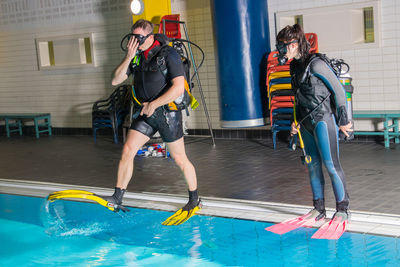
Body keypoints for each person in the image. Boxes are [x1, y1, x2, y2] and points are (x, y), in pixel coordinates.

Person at [106, 19, 201, 225]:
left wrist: (154, 104)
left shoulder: (168, 54)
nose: (134, 42)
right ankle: (118, 196)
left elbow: (178, 88)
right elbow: (115, 80)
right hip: (146, 114)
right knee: (128, 150)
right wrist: (128, 57)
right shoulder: (137, 57)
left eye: (138, 38)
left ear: (150, 37)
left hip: (167, 113)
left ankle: (194, 199)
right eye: (133, 37)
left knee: (179, 159)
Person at [266, 24, 352, 239]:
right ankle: (319, 209)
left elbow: (339, 91)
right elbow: (298, 97)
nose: (280, 51)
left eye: (282, 47)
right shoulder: (294, 66)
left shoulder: (316, 64)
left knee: (331, 165)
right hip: (305, 123)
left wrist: (344, 122)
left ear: (294, 45)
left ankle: (342, 210)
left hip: (323, 121)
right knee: (312, 165)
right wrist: (295, 122)